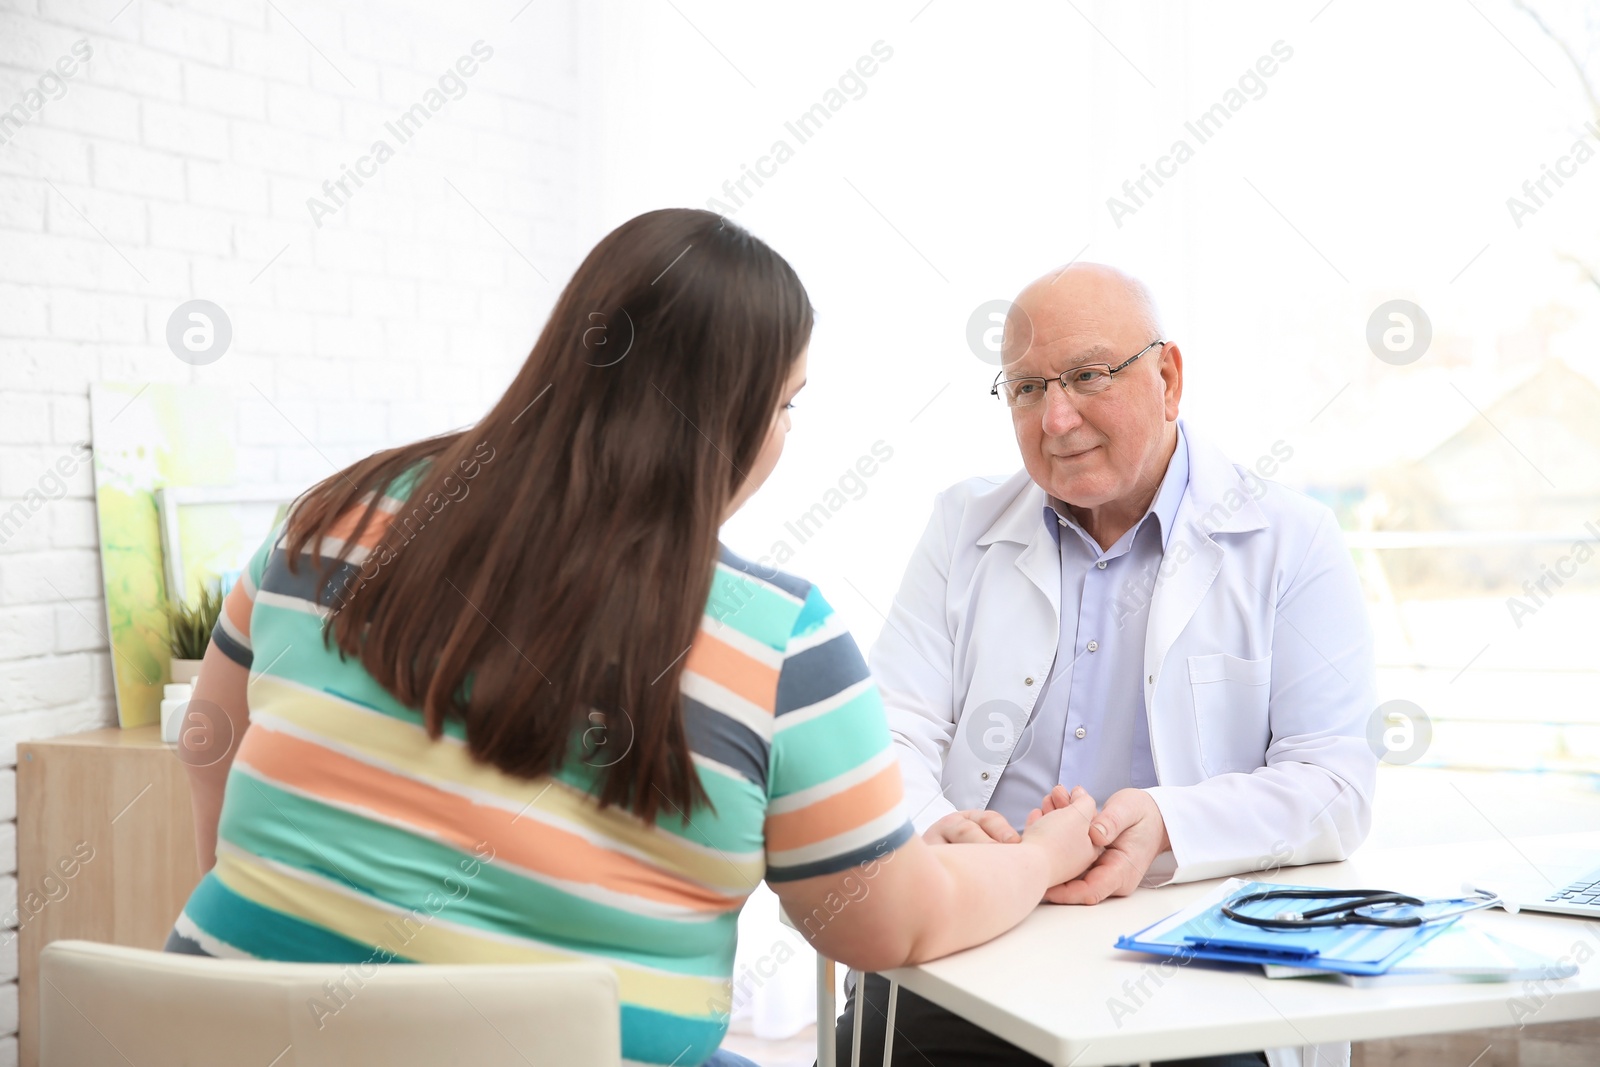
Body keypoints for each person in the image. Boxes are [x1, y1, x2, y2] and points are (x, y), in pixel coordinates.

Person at [166, 208, 1104, 1067]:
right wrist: (1042, 855)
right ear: (725, 420)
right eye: (784, 405)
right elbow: (887, 925)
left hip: (223, 1034)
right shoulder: (776, 641)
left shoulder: (332, 518)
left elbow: (209, 741)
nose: (783, 437)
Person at [837, 264, 1377, 1067]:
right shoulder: (963, 522)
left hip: (1190, 951)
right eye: (1025, 389)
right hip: (980, 936)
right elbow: (892, 731)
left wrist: (1168, 821)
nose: (1056, 419)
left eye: (1089, 375)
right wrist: (934, 827)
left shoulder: (1292, 540)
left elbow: (1336, 784)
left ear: (1168, 376)